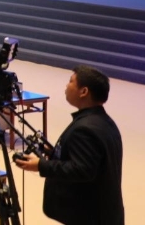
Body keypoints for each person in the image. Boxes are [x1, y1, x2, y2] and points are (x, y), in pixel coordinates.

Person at [14, 66, 123, 225]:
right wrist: (57, 153)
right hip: (104, 213)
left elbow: (82, 170)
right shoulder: (104, 121)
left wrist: (41, 165)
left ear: (83, 91)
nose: (66, 85)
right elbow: (93, 161)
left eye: (71, 81)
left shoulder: (85, 129)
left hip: (91, 217)